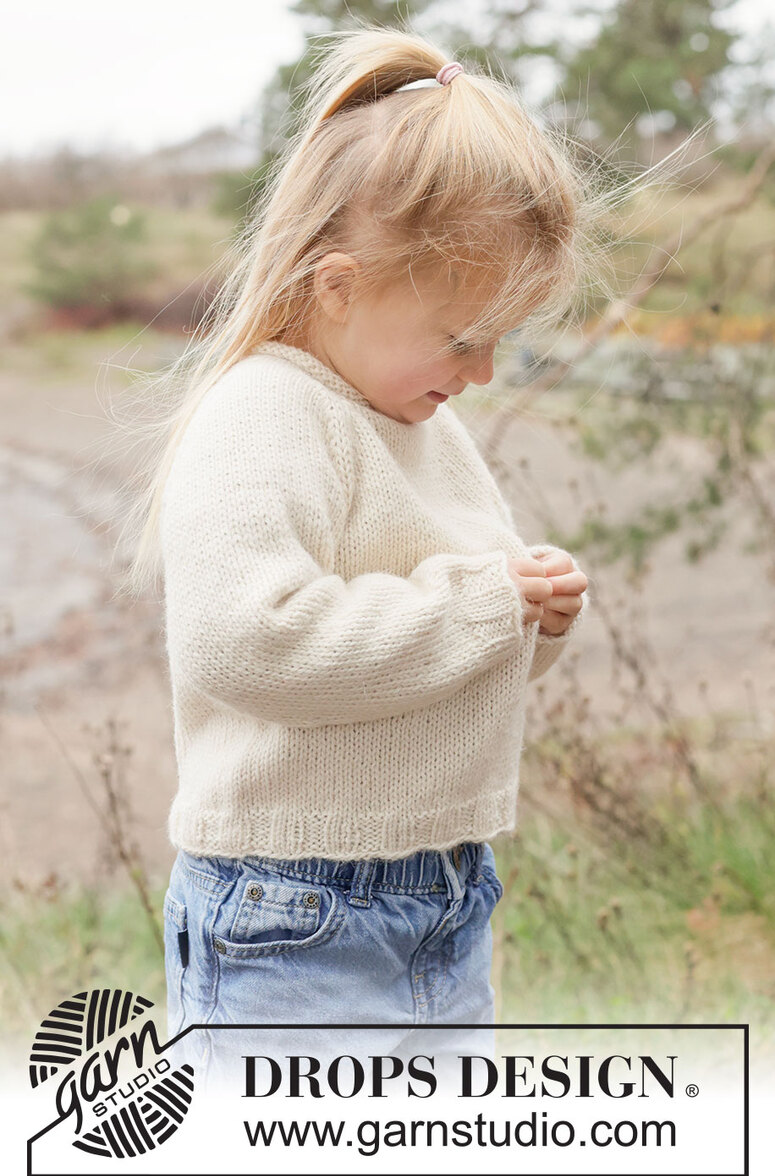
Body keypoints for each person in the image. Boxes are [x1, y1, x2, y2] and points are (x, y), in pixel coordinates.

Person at [152, 26, 595, 1085]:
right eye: (462, 336)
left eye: (502, 339)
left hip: (442, 891)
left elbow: (444, 645)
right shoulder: (267, 412)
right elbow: (246, 641)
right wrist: (484, 606)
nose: (483, 371)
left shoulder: (421, 422)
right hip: (293, 911)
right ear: (339, 285)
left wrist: (531, 618)